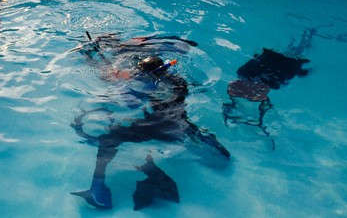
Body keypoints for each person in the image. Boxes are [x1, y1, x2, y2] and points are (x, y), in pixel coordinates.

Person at [72, 50, 230, 210]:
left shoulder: (152, 85)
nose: (137, 74)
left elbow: (132, 104)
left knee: (108, 140)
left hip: (159, 126)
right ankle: (204, 141)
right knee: (186, 129)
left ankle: (98, 191)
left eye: (140, 72)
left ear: (150, 74)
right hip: (179, 122)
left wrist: (118, 84)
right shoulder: (178, 81)